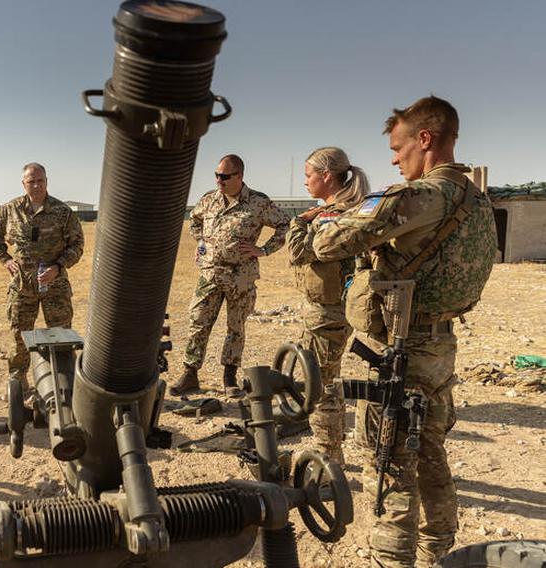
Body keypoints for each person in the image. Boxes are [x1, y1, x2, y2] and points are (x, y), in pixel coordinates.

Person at [312, 96, 497, 567]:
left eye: (398, 148)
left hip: (404, 346)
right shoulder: (477, 200)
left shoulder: (421, 197)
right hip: (440, 345)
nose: (394, 159)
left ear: (425, 140)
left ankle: (391, 560)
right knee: (430, 448)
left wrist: (333, 222)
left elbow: (328, 242)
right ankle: (438, 549)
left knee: (391, 461)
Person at [171, 154, 290, 397]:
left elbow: (284, 224)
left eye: (225, 176)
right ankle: (190, 373)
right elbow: (194, 221)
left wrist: (264, 250)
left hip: (241, 277)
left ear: (240, 176)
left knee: (235, 328)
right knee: (198, 322)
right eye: (217, 175)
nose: (219, 181)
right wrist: (202, 242)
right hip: (210, 274)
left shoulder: (258, 202)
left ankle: (229, 377)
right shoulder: (209, 200)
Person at [287, 147, 370, 464]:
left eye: (308, 175)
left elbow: (298, 252)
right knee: (327, 380)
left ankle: (328, 456)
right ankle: (330, 451)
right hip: (341, 308)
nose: (305, 181)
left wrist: (298, 221)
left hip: (327, 312)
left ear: (326, 176)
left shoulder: (328, 218)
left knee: (321, 385)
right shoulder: (355, 210)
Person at [0, 162, 84, 390]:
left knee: (61, 337)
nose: (36, 185)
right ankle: (19, 385)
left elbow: (78, 244)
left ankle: (63, 385)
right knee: (19, 338)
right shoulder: (11, 209)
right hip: (22, 287)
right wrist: (5, 259)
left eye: (40, 180)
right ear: (24, 183)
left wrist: (58, 267)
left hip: (55, 286)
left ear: (47, 182)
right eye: (31, 181)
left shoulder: (62, 212)